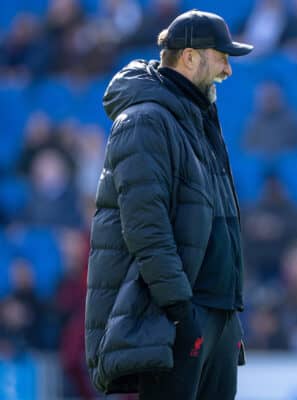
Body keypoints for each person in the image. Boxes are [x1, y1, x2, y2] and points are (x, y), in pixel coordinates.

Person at [84, 10, 253, 400]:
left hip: (216, 313)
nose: (228, 69)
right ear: (190, 57)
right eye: (222, 56)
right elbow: (147, 229)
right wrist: (180, 312)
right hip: (178, 316)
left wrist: (226, 317)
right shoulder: (145, 120)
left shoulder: (196, 117)